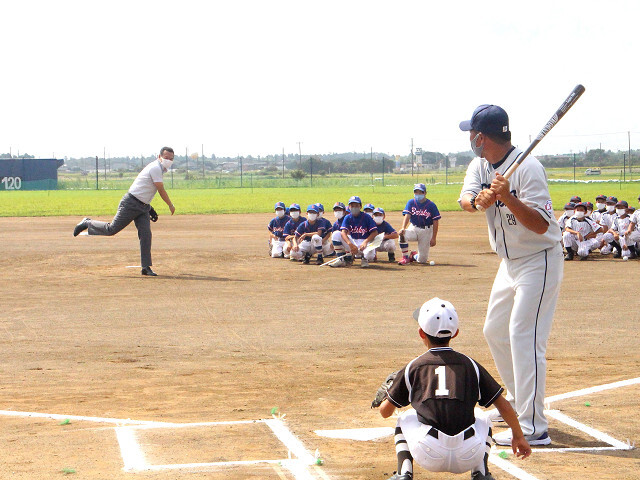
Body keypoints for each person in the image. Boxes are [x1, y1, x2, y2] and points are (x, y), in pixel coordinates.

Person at [458, 104, 563, 446]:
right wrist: (480, 200)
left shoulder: (528, 168)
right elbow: (466, 200)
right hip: (509, 262)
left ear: (481, 136)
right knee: (494, 330)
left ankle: (534, 429)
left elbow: (541, 225)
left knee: (524, 334)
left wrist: (507, 197)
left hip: (538, 259)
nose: (469, 139)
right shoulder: (480, 164)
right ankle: (520, 404)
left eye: (472, 133)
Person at [377, 298, 531, 480]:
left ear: (421, 333)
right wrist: (519, 436)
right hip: (468, 454)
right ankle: (481, 472)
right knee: (482, 416)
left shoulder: (414, 367)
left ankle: (404, 472)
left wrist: (387, 395)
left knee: (405, 417)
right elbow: (504, 405)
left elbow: (385, 412)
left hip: (428, 454)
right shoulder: (471, 365)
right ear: (455, 333)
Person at [73, 146, 176, 276]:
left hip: (143, 206)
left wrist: (149, 208)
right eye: (166, 157)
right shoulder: (155, 168)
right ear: (159, 157)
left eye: (171, 159)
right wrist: (170, 205)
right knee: (112, 229)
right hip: (131, 203)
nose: (168, 160)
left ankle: (146, 267)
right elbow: (160, 190)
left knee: (146, 235)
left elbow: (144, 189)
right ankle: (88, 223)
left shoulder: (159, 169)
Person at [397, 183, 441, 266]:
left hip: (426, 231)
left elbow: (436, 221)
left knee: (422, 260)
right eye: (416, 192)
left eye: (420, 192)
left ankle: (413, 256)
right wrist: (403, 227)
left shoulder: (431, 205)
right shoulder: (411, 202)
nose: (418, 194)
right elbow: (407, 215)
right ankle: (405, 257)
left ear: (425, 193)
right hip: (413, 227)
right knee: (402, 235)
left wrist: (434, 238)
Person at [332, 196, 378, 268]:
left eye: (356, 205)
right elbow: (343, 232)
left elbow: (375, 232)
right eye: (352, 206)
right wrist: (350, 244)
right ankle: (340, 259)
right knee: (336, 234)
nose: (354, 207)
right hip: (353, 242)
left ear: (360, 206)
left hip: (365, 242)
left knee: (370, 255)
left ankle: (364, 259)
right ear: (349, 207)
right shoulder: (347, 217)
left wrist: (366, 241)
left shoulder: (366, 217)